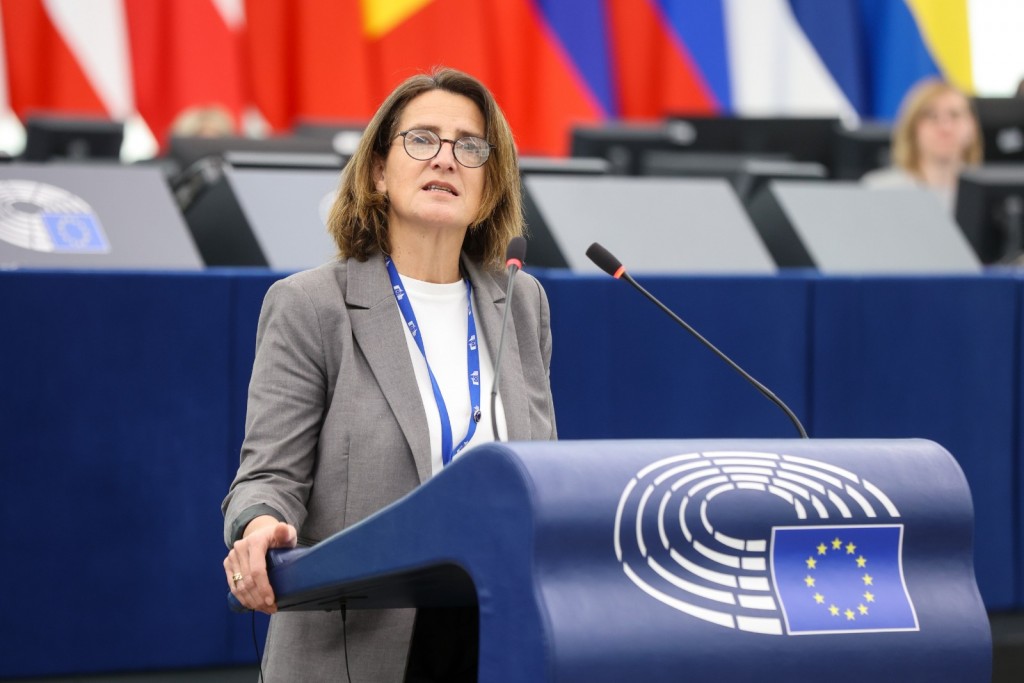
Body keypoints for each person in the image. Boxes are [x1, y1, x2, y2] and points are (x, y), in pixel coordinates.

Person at [221, 67, 557, 681]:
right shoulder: (311, 305)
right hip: (359, 646)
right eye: (422, 139)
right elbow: (268, 476)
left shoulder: (520, 301)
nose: (446, 158)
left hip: (498, 638)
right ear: (378, 171)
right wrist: (261, 525)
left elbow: (543, 473)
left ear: (490, 185)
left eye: (470, 146)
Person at [862, 78, 983, 213]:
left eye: (954, 115)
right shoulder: (879, 191)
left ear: (972, 127)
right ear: (912, 128)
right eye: (932, 116)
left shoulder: (985, 195)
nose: (945, 127)